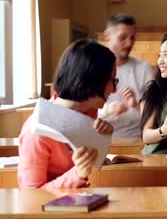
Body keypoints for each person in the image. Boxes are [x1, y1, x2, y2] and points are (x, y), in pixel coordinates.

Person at [18, 39, 116, 189]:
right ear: (94, 79)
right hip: (50, 211)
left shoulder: (89, 113)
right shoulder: (35, 131)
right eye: (113, 80)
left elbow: (92, 163)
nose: (114, 90)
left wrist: (101, 138)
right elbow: (31, 195)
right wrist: (77, 173)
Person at [98, 14, 153, 138]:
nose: (129, 43)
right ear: (107, 35)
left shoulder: (144, 68)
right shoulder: (93, 68)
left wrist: (136, 105)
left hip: (136, 138)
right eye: (122, 37)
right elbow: (81, 114)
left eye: (132, 38)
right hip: (100, 138)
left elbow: (154, 114)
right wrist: (107, 110)